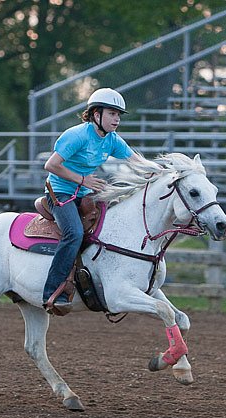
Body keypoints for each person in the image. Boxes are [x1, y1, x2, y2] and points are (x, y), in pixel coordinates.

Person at [41, 88, 141, 315]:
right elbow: (51, 165)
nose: (117, 119)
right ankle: (51, 291)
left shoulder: (112, 140)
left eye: (119, 115)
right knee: (74, 233)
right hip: (59, 192)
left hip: (84, 193)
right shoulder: (77, 135)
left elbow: (137, 162)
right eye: (112, 113)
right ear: (96, 114)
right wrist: (83, 180)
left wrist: (161, 175)